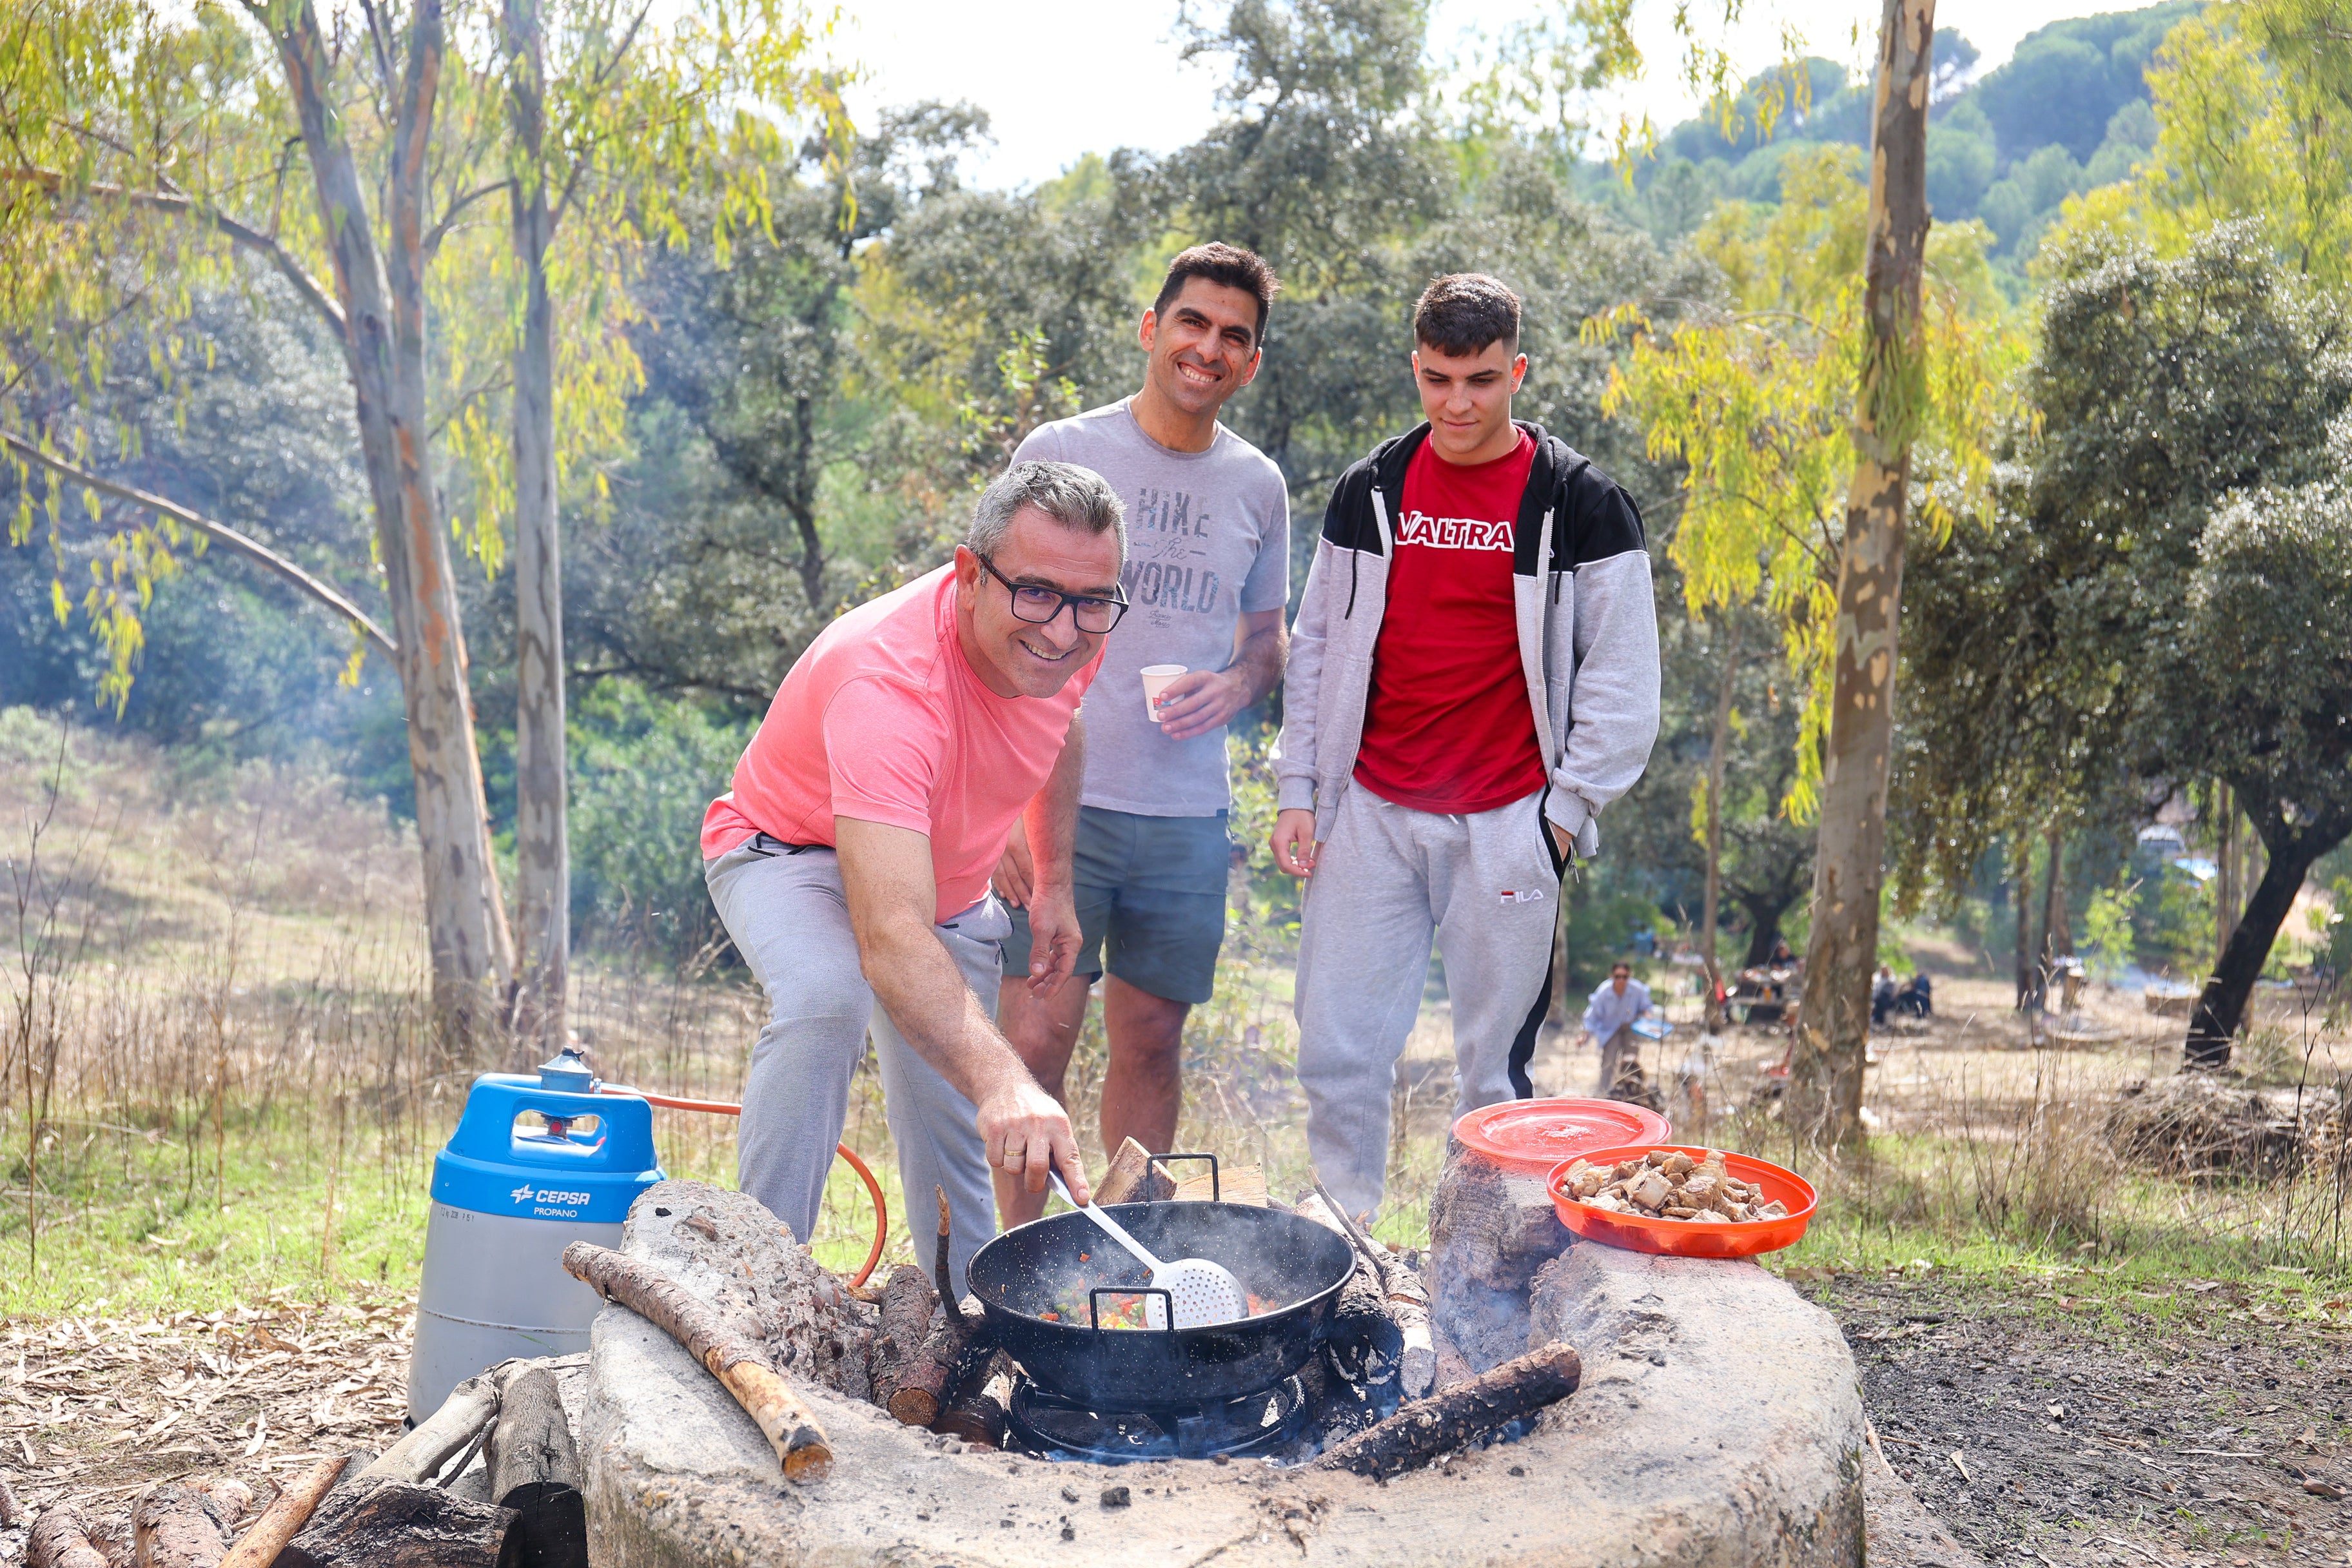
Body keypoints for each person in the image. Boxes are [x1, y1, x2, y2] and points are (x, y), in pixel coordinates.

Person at [1271, 272, 1662, 1220]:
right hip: (1369, 806)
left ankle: (1478, 1262)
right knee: (1338, 1043)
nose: (1459, 402)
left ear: (1517, 372)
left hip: (1509, 817)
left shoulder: (1580, 503)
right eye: (1439, 379)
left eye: (1482, 380)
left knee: (1493, 1070)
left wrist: (1565, 815)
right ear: (1417, 368)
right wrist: (1297, 787)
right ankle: (1343, 1243)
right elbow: (1317, 641)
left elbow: (1620, 674)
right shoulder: (1370, 491)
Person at [699, 462, 1121, 1294]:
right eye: (1035, 593)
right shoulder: (889, 685)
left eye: (1091, 602)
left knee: (956, 1118)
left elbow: (1060, 723)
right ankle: (751, 1290)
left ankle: (961, 1323)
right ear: (969, 574)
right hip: (789, 850)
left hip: (943, 878)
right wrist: (1009, 1078)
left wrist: (1057, 881)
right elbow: (890, 938)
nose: (1065, 632)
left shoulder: (1071, 624)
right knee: (829, 996)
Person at [988, 245, 1292, 1226]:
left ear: (1250, 363)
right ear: (1151, 328)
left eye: (1234, 336)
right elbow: (974, 624)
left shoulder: (1258, 486)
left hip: (1187, 815)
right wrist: (993, 809)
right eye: (1193, 323)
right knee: (1035, 1041)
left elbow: (1267, 643)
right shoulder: (1060, 449)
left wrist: (1236, 684)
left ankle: (1118, 1260)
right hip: (1052, 797)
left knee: (1153, 1040)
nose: (1209, 348)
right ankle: (1010, 1272)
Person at [1582, 961, 1654, 1099]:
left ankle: (1632, 1093)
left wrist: (1647, 1014)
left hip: (1630, 1028)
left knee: (1631, 1062)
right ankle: (1603, 1094)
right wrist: (1586, 1034)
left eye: (1625, 977)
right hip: (1610, 1029)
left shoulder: (1637, 989)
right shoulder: (1604, 991)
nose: (1621, 980)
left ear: (1629, 976)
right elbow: (1592, 1015)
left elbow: (1646, 1007)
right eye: (1618, 977)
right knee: (1608, 1062)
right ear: (1612, 976)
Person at [1872, 963, 1898, 1028]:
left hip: (1888, 999)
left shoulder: (1891, 980)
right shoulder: (1878, 980)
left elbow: (1893, 992)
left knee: (1882, 1002)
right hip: (1877, 999)